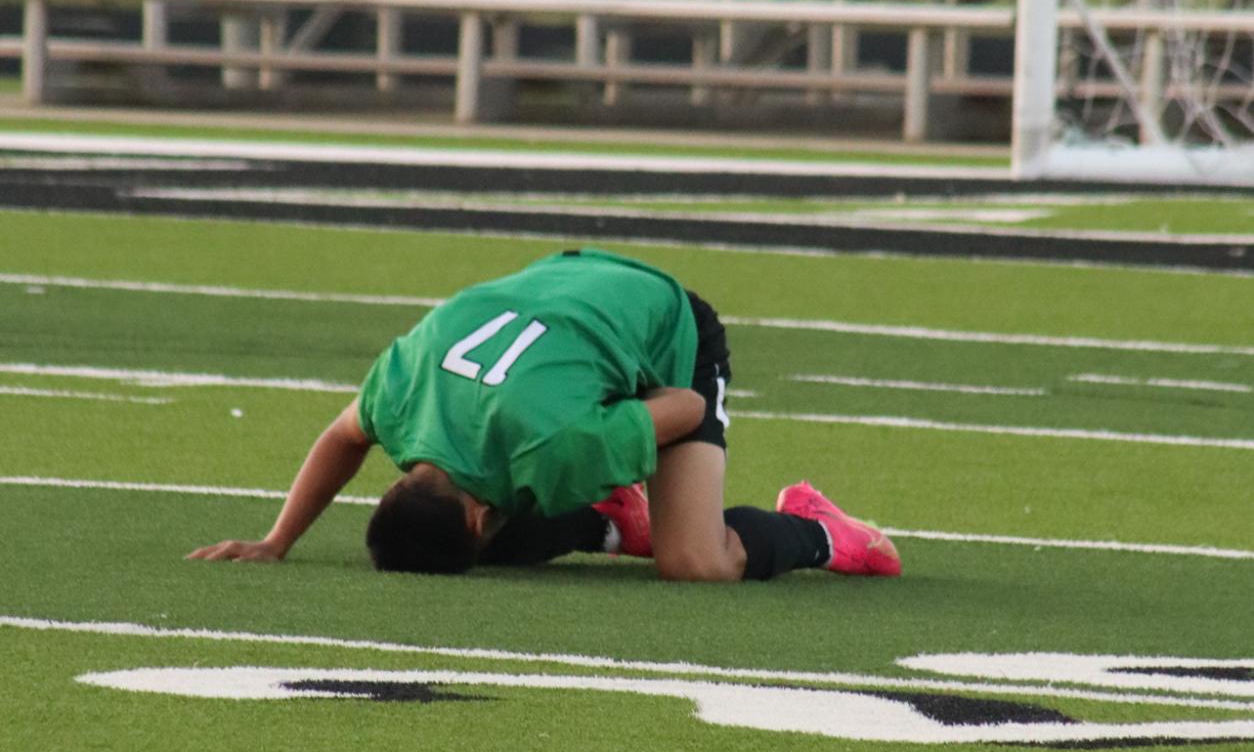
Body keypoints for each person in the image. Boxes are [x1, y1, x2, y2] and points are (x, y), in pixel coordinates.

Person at [189, 248, 901, 585]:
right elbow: (343, 437)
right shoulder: (403, 399)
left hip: (665, 329)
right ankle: (614, 512)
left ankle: (823, 531)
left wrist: (611, 440)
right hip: (562, 291)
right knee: (516, 516)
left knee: (694, 560)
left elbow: (683, 408)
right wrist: (276, 538)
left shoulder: (553, 446)